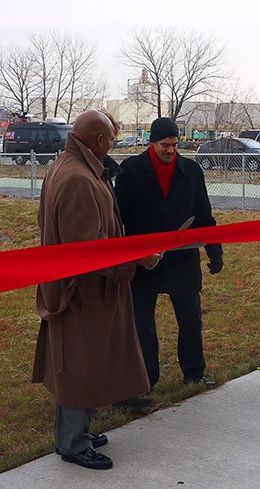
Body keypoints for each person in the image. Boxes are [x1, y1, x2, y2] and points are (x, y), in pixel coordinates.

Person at [32, 110, 161, 470]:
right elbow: (88, 251)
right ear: (99, 141)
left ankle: (77, 433)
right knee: (79, 366)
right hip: (83, 292)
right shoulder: (78, 178)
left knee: (82, 363)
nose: (114, 146)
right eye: (112, 140)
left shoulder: (73, 167)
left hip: (87, 290)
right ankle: (72, 443)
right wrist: (137, 261)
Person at [115, 117, 223, 390]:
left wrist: (214, 250)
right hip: (144, 263)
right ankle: (146, 380)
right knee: (143, 326)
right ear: (152, 142)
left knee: (190, 320)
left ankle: (194, 374)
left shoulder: (191, 171)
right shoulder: (130, 171)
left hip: (182, 262)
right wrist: (130, 255)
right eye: (165, 145)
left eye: (175, 145)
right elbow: (119, 221)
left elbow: (204, 216)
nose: (171, 150)